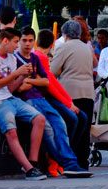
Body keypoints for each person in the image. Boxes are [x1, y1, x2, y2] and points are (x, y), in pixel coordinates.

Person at [13, 27, 92, 177]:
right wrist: (34, 81)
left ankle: (68, 162)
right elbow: (20, 87)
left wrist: (30, 80)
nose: (27, 44)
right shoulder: (16, 59)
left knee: (61, 125)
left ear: (35, 42)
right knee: (51, 128)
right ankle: (66, 163)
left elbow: (46, 81)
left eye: (30, 40)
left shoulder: (35, 58)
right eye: (24, 40)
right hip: (29, 100)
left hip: (40, 98)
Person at [0, 29, 48, 180]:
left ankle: (33, 163)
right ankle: (29, 169)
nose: (17, 45)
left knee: (39, 119)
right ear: (5, 41)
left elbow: (11, 88)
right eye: (15, 42)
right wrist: (17, 73)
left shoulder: (12, 59)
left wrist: (23, 75)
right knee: (11, 131)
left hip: (9, 98)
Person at [51, 20, 95, 169]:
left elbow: (53, 71)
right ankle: (83, 161)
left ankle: (71, 160)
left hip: (70, 92)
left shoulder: (63, 47)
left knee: (72, 128)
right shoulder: (87, 48)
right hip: (88, 91)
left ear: (64, 34)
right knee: (85, 129)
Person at [32, 30, 87, 148]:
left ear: (36, 42)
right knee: (74, 119)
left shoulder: (40, 56)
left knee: (79, 118)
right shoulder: (40, 57)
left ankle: (68, 150)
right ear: (52, 44)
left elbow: (53, 82)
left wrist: (69, 102)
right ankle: (65, 151)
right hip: (45, 97)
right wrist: (68, 103)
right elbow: (51, 85)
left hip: (48, 96)